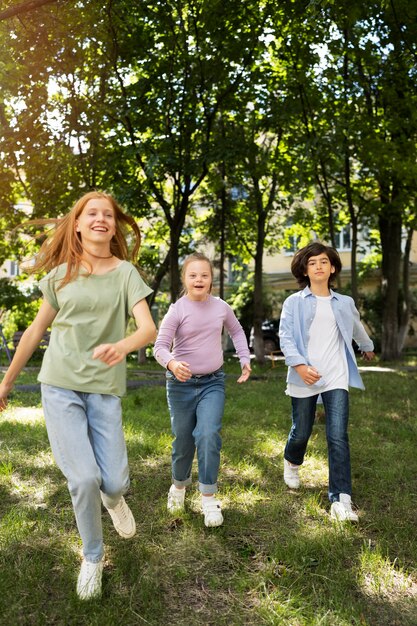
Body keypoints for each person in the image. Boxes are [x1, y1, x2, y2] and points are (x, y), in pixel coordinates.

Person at [0, 191, 156, 599]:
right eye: (92, 213)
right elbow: (35, 332)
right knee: (83, 478)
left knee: (115, 480)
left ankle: (114, 499)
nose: (101, 218)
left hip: (104, 389)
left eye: (108, 214)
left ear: (114, 226)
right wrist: (7, 381)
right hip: (60, 383)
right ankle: (92, 556)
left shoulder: (126, 274)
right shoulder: (60, 275)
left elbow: (147, 329)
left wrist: (122, 347)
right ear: (79, 224)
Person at [153, 252, 251, 527]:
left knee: (207, 434)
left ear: (211, 280)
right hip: (181, 385)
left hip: (212, 382)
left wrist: (244, 358)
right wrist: (172, 363)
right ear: (184, 279)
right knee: (183, 442)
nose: (199, 279)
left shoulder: (221, 307)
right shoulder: (177, 310)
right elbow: (159, 347)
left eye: (204, 275)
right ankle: (179, 487)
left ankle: (208, 497)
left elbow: (237, 331)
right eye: (193, 275)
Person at [278, 242, 374, 522]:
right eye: (312, 263)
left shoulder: (344, 302)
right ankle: (292, 461)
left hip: (335, 376)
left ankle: (341, 499)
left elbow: (356, 327)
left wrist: (367, 346)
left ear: (332, 268)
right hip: (303, 374)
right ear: (305, 270)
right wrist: (299, 365)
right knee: (301, 430)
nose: (318, 266)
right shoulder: (294, 302)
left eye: (323, 262)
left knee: (337, 435)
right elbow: (285, 337)